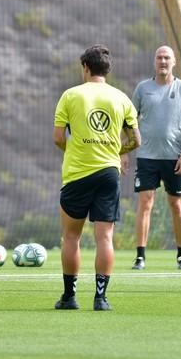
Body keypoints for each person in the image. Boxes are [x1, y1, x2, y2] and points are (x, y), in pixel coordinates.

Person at [53, 45, 140, 311]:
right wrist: (117, 151)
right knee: (105, 237)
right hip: (108, 173)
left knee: (71, 237)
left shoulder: (70, 95)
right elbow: (136, 140)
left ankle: (69, 297)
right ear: (107, 70)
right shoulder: (121, 98)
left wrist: (78, 151)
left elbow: (58, 138)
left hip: (77, 174)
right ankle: (101, 298)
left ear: (86, 68)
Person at [123, 46, 181, 271]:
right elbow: (128, 120)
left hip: (174, 158)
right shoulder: (143, 88)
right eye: (159, 57)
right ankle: (140, 256)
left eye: (167, 58)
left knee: (176, 204)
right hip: (146, 157)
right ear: (154, 61)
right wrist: (124, 151)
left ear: (174, 61)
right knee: (145, 202)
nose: (163, 61)